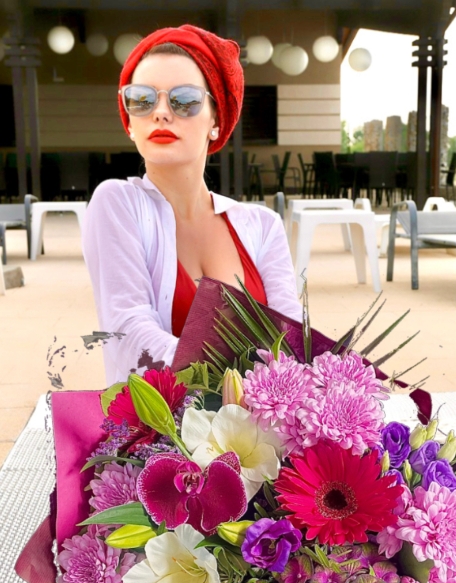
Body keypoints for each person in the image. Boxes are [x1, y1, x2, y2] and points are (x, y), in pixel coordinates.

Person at [82, 25, 302, 386]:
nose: (161, 112)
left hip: (262, 418)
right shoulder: (117, 203)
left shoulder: (263, 225)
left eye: (184, 100)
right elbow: (129, 332)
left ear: (216, 119)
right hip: (160, 420)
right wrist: (240, 382)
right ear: (129, 123)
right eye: (142, 99)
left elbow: (291, 339)